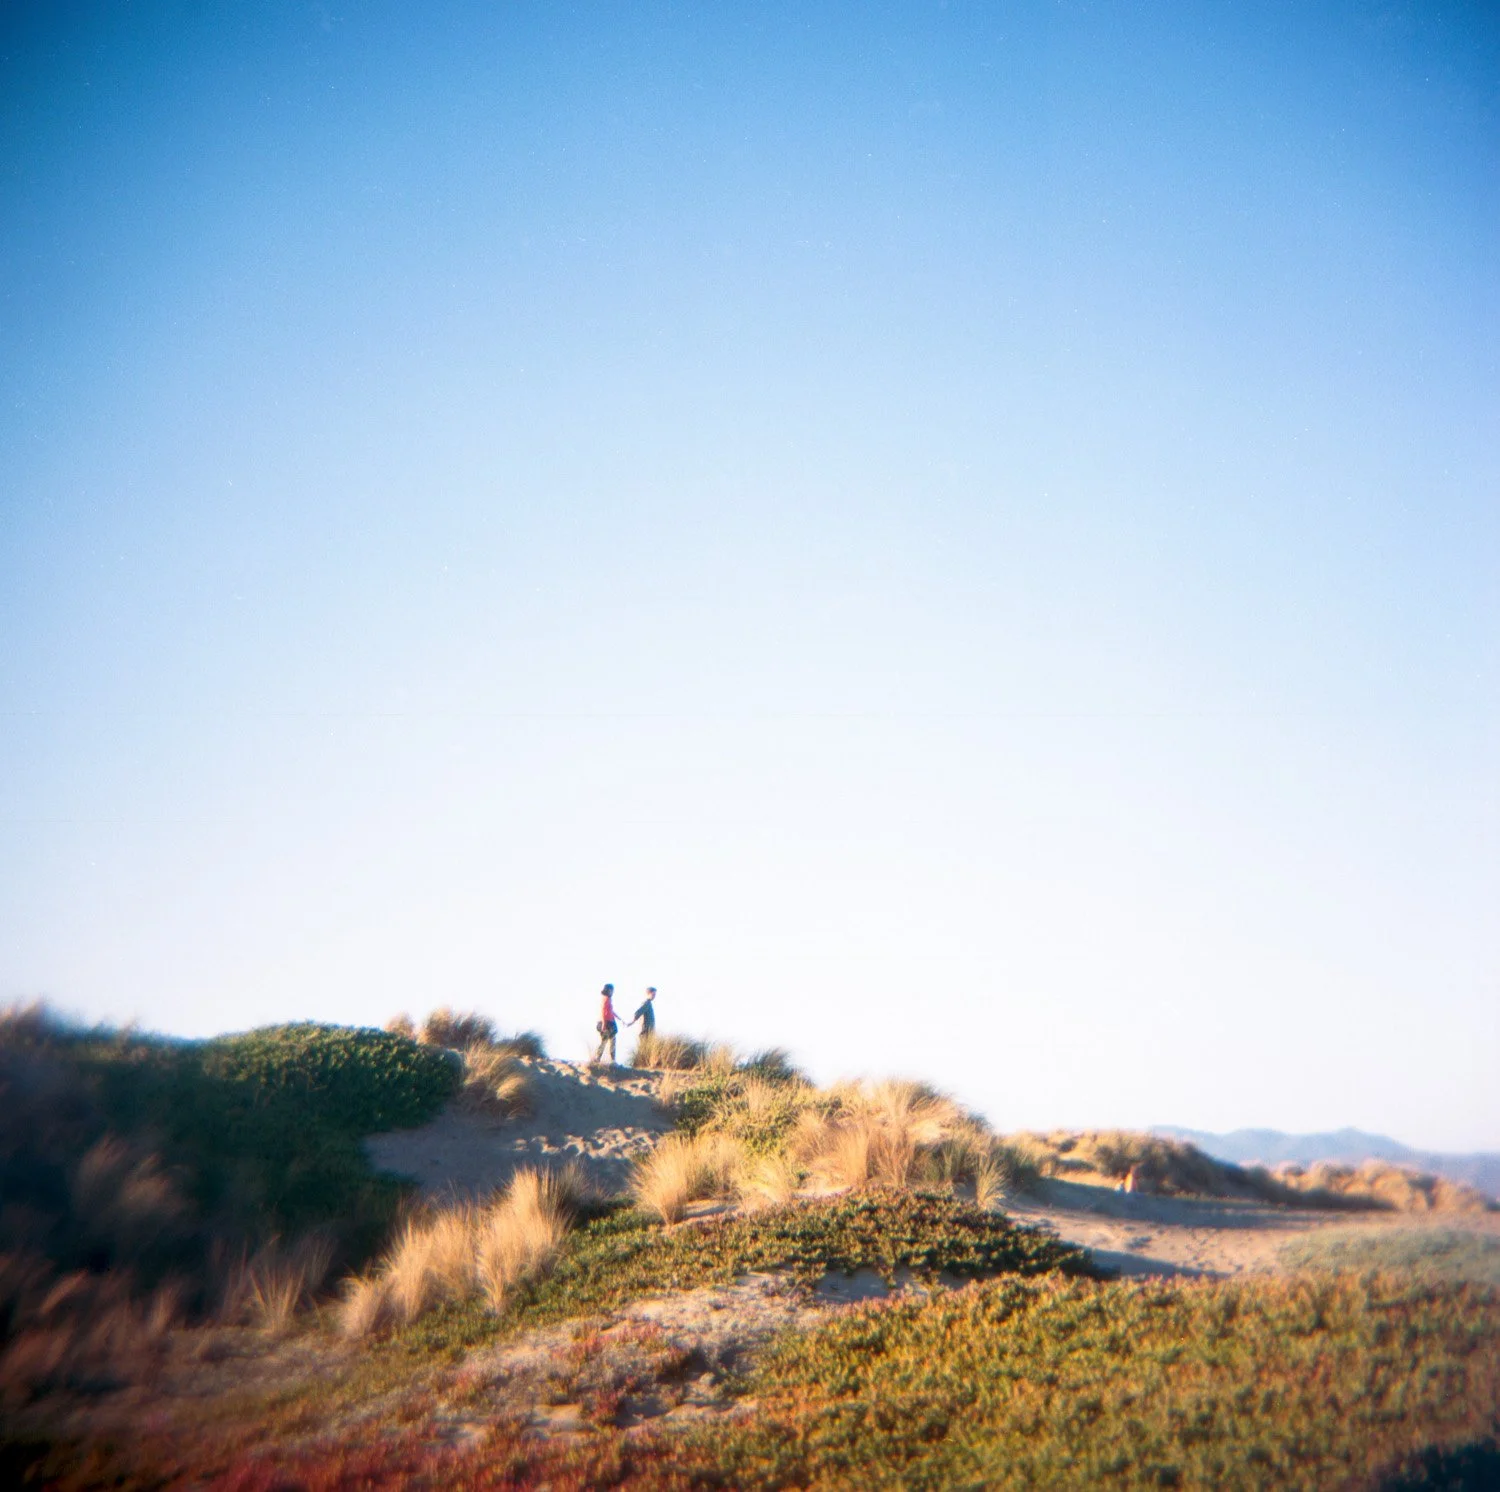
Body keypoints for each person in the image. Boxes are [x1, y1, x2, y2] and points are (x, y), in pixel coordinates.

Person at [592, 983, 619, 1066]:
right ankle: (598, 1058)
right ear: (608, 990)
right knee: (605, 1041)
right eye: (612, 990)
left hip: (610, 1022)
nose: (613, 992)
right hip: (606, 1022)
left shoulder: (608, 999)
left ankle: (612, 1060)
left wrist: (618, 1017)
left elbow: (610, 1011)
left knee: (612, 1040)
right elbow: (603, 1011)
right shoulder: (606, 999)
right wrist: (604, 1023)